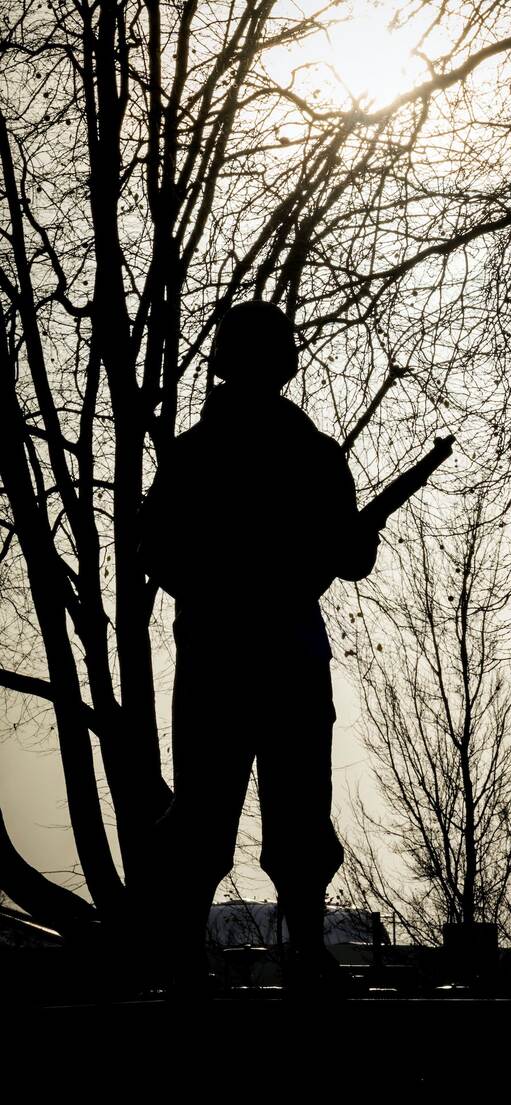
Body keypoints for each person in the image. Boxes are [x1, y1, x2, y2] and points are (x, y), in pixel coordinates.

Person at [139, 300, 380, 992]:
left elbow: (157, 550)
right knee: (262, 812)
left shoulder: (196, 453)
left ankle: (212, 954)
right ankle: (286, 951)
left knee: (239, 813)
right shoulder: (306, 453)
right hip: (269, 659)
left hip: (232, 660)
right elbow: (351, 554)